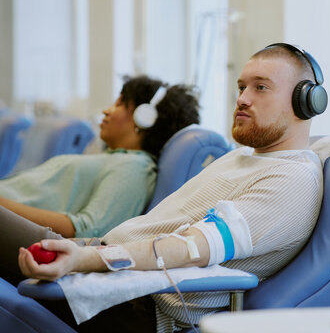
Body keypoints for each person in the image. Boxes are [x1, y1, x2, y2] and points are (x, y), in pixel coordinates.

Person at [18, 43, 327, 333]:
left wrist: (83, 259)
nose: (243, 98)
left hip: (139, 300)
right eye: (241, 87)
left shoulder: (293, 179)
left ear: (306, 102)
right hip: (109, 268)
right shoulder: (242, 158)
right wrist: (86, 251)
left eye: (260, 87)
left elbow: (191, 248)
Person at [0, 75, 200, 281]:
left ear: (144, 117)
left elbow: (89, 230)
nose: (107, 110)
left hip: (40, 240)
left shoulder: (135, 168)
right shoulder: (116, 159)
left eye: (120, 104)